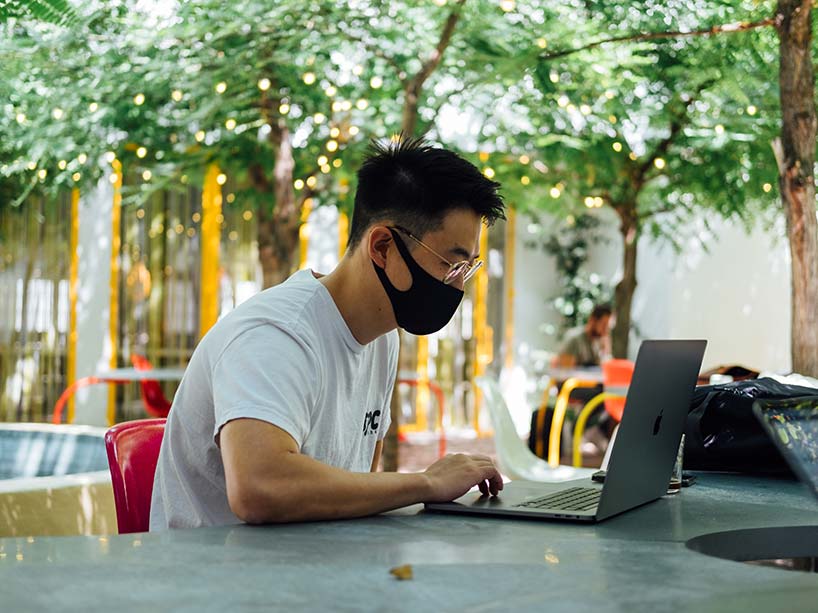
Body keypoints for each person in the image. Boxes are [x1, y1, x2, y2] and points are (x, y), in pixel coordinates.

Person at [150, 138, 506, 530]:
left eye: (467, 269)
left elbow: (360, 484)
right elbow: (258, 488)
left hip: (307, 569)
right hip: (214, 580)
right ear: (383, 246)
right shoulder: (277, 334)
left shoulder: (382, 338)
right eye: (449, 265)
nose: (456, 287)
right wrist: (426, 483)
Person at [554, 303, 612, 368]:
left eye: (608, 327)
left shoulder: (598, 341)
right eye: (604, 325)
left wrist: (605, 349)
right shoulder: (574, 338)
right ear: (593, 320)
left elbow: (602, 367)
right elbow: (564, 370)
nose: (606, 331)